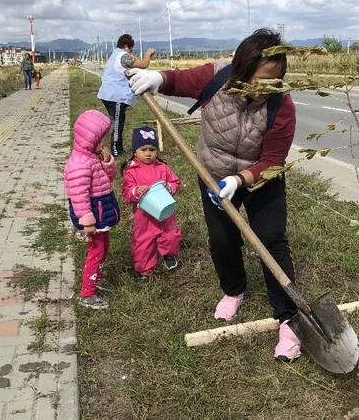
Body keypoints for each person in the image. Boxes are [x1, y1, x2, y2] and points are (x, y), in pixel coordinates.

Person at [128, 28, 301, 361]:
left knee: (270, 240)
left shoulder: (282, 106)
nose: (262, 89)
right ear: (241, 68)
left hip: (261, 178)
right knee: (222, 240)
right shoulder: (216, 77)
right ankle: (234, 290)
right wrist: (155, 78)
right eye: (258, 80)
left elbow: (273, 160)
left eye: (272, 82)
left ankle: (289, 317)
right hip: (212, 173)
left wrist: (240, 180)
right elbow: (177, 81)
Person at [63, 110, 121, 309]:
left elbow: (108, 178)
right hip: (92, 214)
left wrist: (107, 163)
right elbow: (78, 196)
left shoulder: (92, 157)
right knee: (95, 251)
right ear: (90, 139)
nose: (105, 141)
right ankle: (87, 292)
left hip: (101, 210)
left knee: (103, 247)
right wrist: (87, 221)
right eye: (102, 138)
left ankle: (98, 277)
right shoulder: (79, 164)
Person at [121, 126, 182, 283]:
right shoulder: (131, 171)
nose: (148, 154)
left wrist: (170, 188)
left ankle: (169, 254)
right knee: (144, 241)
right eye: (143, 149)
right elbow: (127, 193)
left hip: (165, 211)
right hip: (144, 216)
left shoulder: (163, 167)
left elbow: (175, 182)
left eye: (152, 149)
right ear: (135, 151)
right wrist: (137, 191)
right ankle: (144, 270)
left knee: (170, 234)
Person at [97, 33, 156, 157]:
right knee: (118, 123)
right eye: (131, 49)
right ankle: (116, 151)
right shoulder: (123, 56)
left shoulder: (115, 54)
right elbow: (143, 64)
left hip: (108, 94)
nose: (131, 52)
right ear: (126, 46)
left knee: (115, 121)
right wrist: (148, 54)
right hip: (116, 95)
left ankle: (116, 147)